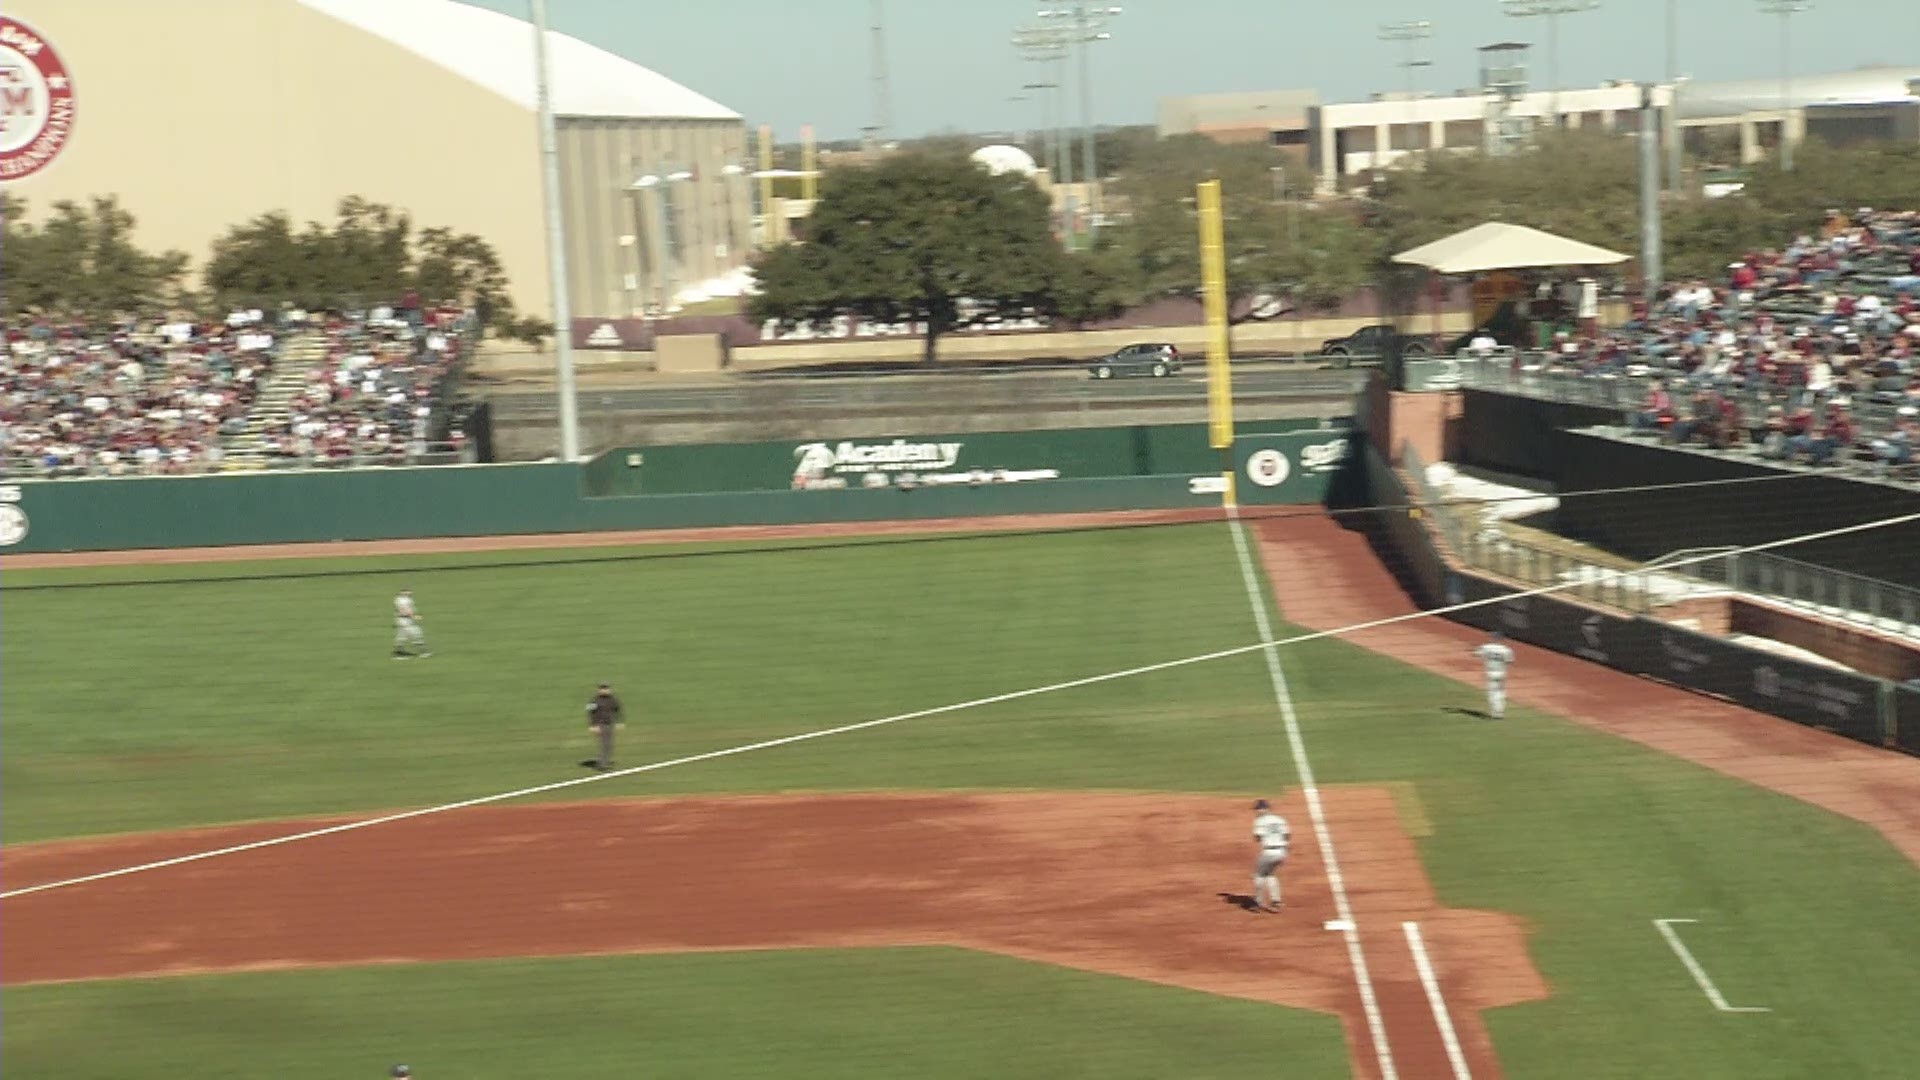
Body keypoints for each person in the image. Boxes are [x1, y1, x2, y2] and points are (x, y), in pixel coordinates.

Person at [1249, 798, 1291, 912]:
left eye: (1258, 809)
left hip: (1269, 852)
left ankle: (1258, 902)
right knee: (1271, 874)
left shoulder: (1260, 821)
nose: (1257, 812)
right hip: (1282, 851)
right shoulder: (1280, 819)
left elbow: (1257, 837)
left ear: (1264, 809)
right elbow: (1287, 835)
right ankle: (1276, 901)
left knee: (1259, 875)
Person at [1472, 631, 1515, 719]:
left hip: (1491, 673)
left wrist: (1476, 650)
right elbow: (1509, 662)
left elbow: (1476, 654)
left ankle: (1497, 713)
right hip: (1502, 673)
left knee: (1492, 693)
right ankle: (1500, 710)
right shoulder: (1507, 650)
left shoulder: (1487, 647)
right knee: (1500, 692)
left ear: (1493, 638)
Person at [583, 683, 624, 772]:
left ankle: (605, 761)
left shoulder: (613, 699)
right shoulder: (594, 700)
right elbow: (590, 713)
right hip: (600, 725)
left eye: (606, 688)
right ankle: (602, 764)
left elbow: (618, 710)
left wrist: (619, 721)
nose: (605, 690)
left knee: (609, 745)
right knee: (604, 745)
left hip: (610, 724)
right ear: (599, 690)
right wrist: (593, 725)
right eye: (603, 688)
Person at [392, 588, 430, 659]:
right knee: (416, 633)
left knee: (402, 636)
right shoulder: (403, 600)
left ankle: (398, 653)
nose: (409, 594)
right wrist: (415, 617)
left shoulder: (401, 599)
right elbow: (404, 611)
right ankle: (423, 652)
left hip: (402, 620)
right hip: (405, 620)